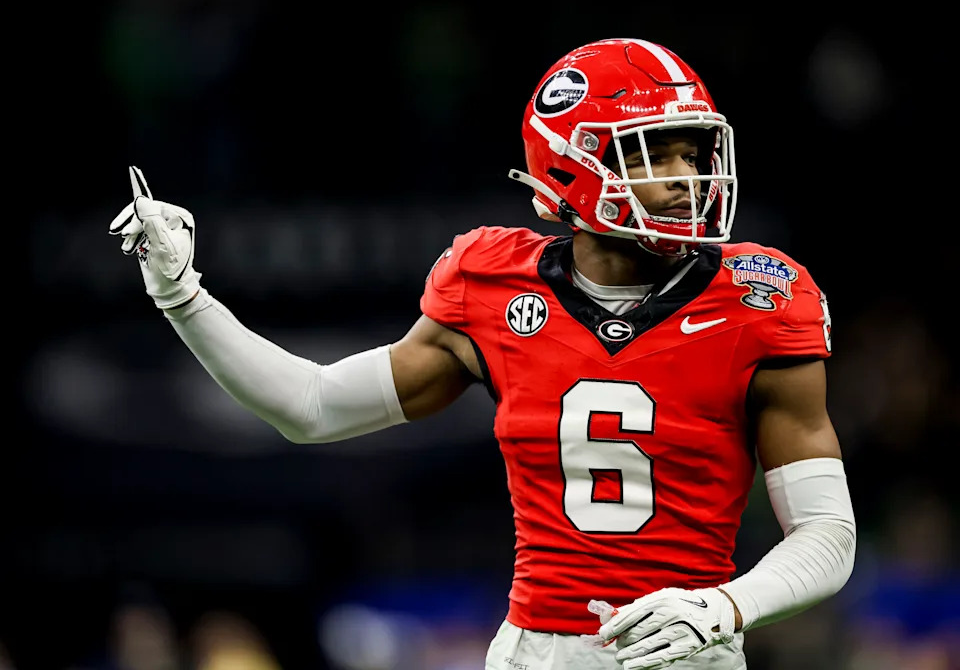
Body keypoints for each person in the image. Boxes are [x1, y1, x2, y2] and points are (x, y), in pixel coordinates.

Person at [107, 38, 856, 670]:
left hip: (690, 648)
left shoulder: (759, 297)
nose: (687, 179)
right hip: (537, 651)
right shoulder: (491, 284)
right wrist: (184, 296)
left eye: (693, 153)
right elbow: (312, 408)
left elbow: (828, 533)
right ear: (572, 166)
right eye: (655, 155)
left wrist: (726, 604)